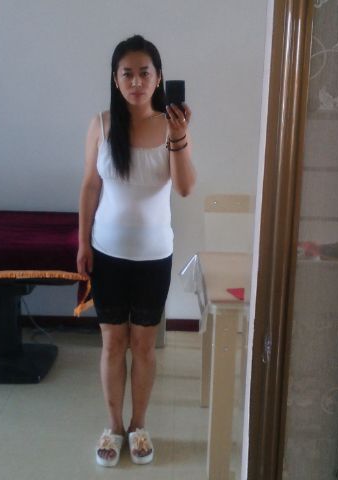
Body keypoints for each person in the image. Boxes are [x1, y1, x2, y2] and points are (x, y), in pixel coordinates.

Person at [77, 34, 196, 467]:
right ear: (115, 79)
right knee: (112, 345)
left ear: (158, 78)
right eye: (127, 73)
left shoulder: (171, 126)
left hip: (153, 256)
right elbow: (90, 187)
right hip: (106, 253)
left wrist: (180, 137)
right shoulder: (101, 124)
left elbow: (185, 188)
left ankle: (138, 425)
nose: (136, 82)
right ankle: (113, 425)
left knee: (143, 346)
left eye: (144, 73)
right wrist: (82, 242)